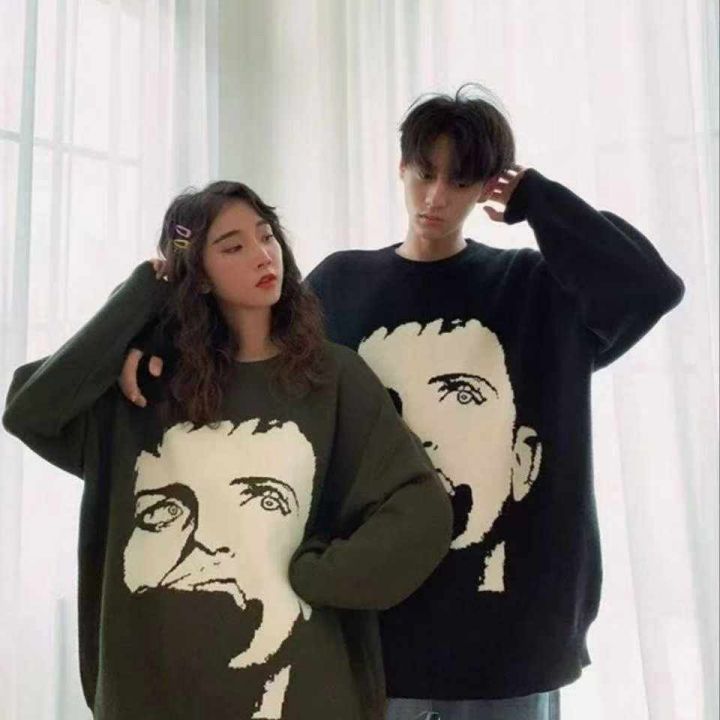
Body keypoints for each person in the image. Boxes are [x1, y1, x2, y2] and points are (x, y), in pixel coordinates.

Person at [118, 86, 685, 720]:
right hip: (373, 626)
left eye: (461, 180)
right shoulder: (340, 285)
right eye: (424, 173)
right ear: (401, 168)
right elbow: (242, 352)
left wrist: (539, 200)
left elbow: (650, 288)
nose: (436, 197)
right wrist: (155, 346)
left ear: (488, 187)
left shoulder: (533, 291)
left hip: (512, 639)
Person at [3, 181, 453, 720]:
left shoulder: (332, 378)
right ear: (197, 275)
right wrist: (143, 295)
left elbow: (419, 507)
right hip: (155, 690)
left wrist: (323, 575)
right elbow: (30, 411)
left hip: (306, 695)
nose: (262, 255)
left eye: (266, 236)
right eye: (233, 246)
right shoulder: (147, 385)